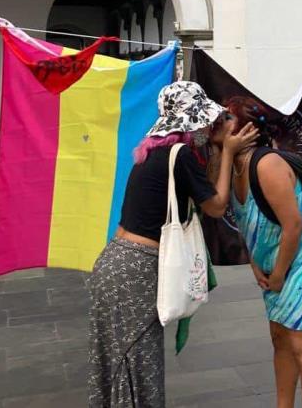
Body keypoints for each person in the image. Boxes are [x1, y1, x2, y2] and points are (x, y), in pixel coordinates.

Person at [87, 81, 258, 408]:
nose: (213, 126)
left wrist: (220, 148)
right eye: (209, 121)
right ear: (195, 121)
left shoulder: (153, 149)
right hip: (136, 269)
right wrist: (231, 152)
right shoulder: (179, 155)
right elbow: (217, 206)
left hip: (115, 263)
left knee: (118, 358)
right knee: (140, 361)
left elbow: (203, 187)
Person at [221, 97, 302, 408]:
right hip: (274, 267)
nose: (216, 123)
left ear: (245, 129)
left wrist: (277, 275)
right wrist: (255, 264)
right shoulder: (233, 165)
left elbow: (293, 225)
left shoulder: (268, 164)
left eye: (225, 119)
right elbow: (242, 218)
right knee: (281, 343)